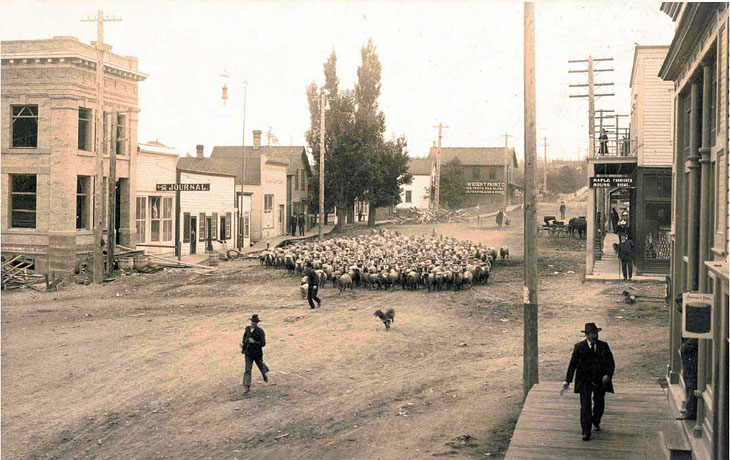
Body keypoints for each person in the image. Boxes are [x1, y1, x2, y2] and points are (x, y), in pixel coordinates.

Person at [561, 323, 615, 441]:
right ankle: (586, 431)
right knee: (585, 405)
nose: (595, 336)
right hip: (584, 380)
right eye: (592, 333)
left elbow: (611, 363)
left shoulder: (604, 346)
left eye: (596, 333)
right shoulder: (579, 347)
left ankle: (596, 421)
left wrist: (608, 375)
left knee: (599, 403)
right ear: (586, 335)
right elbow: (572, 365)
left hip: (600, 380)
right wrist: (567, 381)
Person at [241, 314, 268, 394]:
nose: (253, 323)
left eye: (255, 322)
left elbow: (263, 343)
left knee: (260, 365)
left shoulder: (260, 331)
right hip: (248, 353)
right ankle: (246, 386)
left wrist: (254, 342)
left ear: (257, 323)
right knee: (248, 369)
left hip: (257, 353)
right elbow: (244, 338)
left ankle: (264, 372)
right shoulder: (247, 329)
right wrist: (243, 345)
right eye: (252, 321)